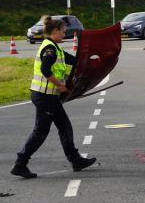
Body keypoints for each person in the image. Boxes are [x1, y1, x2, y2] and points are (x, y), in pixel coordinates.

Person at [11, 16, 96, 178]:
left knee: (65, 127)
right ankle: (20, 163)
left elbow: (74, 60)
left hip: (50, 97)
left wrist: (91, 60)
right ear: (55, 31)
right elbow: (45, 70)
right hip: (44, 96)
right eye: (63, 32)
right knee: (40, 132)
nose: (65, 34)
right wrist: (60, 85)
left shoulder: (55, 48)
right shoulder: (49, 49)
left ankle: (75, 160)